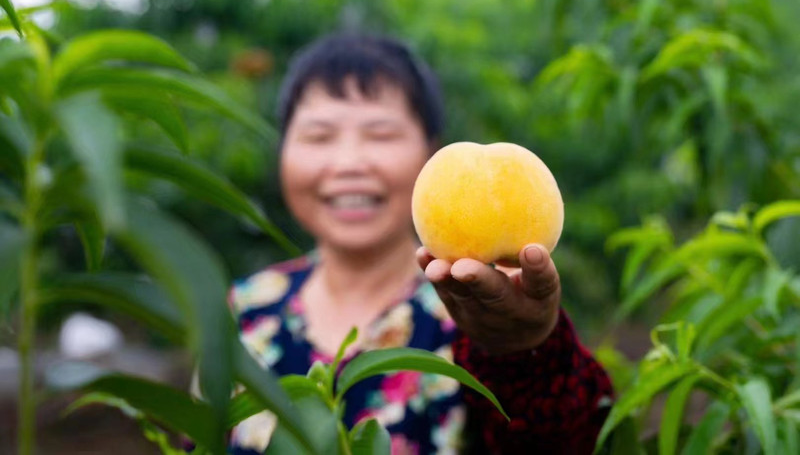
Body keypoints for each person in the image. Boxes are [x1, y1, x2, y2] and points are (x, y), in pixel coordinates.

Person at [228, 33, 613, 454]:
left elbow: (573, 440)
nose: (349, 163)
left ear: (429, 152)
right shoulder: (244, 309)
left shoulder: (478, 309)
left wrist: (525, 352)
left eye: (380, 134)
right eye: (319, 136)